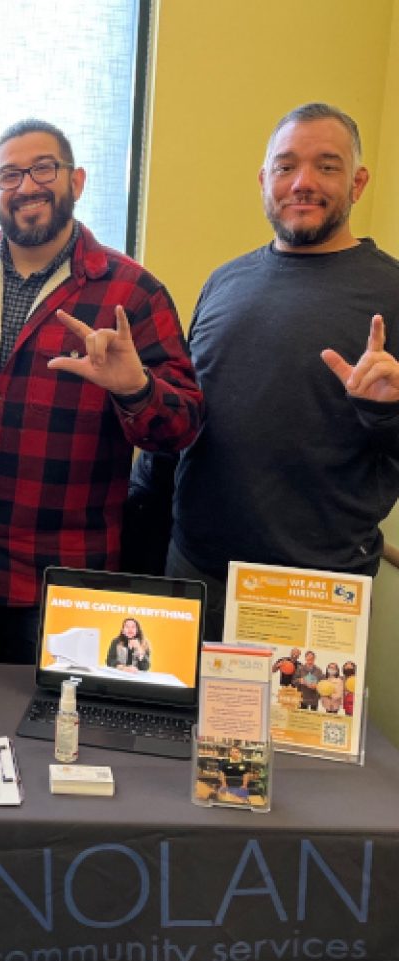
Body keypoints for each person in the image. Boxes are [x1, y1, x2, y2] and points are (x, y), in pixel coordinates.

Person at [0, 118, 202, 663]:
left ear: (77, 181)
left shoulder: (132, 293)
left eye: (44, 168)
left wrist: (135, 389)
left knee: (56, 743)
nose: (27, 186)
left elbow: (181, 429)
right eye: (10, 175)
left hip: (65, 589)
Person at [168, 103, 399, 640]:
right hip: (196, 570)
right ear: (263, 178)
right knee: (171, 726)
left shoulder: (391, 293)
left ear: (359, 182)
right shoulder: (224, 282)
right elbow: (186, 414)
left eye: (327, 165)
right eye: (286, 166)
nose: (303, 183)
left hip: (314, 590)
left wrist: (386, 412)